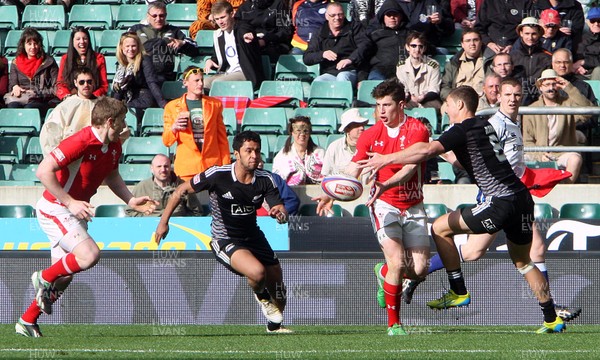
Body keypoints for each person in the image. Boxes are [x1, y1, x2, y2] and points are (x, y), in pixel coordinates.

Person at [357, 85, 566, 334]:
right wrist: (437, 153)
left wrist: (384, 159)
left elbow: (427, 150)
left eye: (447, 104)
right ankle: (552, 318)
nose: (445, 110)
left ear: (459, 105)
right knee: (524, 261)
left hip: (500, 202)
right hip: (522, 199)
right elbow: (466, 162)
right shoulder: (483, 126)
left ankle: (458, 290)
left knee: (439, 228)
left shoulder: (462, 128)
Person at [401, 78, 581, 322]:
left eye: (517, 94)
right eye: (508, 94)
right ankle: (551, 315)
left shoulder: (510, 124)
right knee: (503, 255)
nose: (513, 99)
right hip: (507, 196)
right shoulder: (492, 123)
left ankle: (456, 289)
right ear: (499, 96)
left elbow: (483, 159)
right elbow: (479, 159)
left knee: (459, 239)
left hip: (505, 198)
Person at [15, 97, 157, 338]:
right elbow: (43, 171)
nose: (124, 126)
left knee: (66, 276)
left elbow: (112, 177)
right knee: (89, 255)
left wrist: (131, 200)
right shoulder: (80, 141)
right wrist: (69, 202)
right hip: (55, 208)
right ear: (110, 121)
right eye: (121, 121)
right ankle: (42, 277)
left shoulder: (114, 146)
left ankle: (27, 321)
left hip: (73, 211)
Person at [315, 79, 430, 336]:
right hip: (383, 204)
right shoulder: (370, 134)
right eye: (378, 105)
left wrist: (386, 183)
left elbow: (411, 166)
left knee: (420, 268)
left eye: (387, 105)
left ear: (401, 105)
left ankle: (383, 272)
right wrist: (330, 193)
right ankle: (394, 324)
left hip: (413, 203)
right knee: (398, 262)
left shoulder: (417, 129)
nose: (381, 111)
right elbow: (354, 168)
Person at [154, 131, 292, 334]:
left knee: (279, 292)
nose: (254, 156)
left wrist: (280, 214)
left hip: (254, 236)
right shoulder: (218, 175)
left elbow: (280, 209)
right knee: (257, 272)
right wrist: (163, 222)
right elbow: (180, 191)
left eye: (257, 151)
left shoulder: (266, 179)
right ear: (237, 153)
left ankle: (274, 327)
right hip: (225, 239)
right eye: (249, 151)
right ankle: (262, 297)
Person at [523, 69, 593, 183]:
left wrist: (569, 88)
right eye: (547, 84)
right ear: (540, 87)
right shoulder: (531, 110)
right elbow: (527, 142)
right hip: (540, 154)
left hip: (562, 153)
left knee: (575, 159)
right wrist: (540, 155)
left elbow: (589, 112)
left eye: (554, 84)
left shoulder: (567, 104)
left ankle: (567, 191)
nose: (551, 88)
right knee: (518, 159)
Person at [162, 66, 231, 181]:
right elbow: (167, 141)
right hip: (187, 168)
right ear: (185, 82)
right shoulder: (172, 107)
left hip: (212, 167)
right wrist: (174, 128)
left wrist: (225, 167)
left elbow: (222, 139)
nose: (200, 84)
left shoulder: (215, 104)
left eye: (202, 80)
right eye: (196, 80)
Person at [130, 1, 200, 83]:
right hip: (140, 74)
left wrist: (182, 43)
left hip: (163, 77)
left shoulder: (174, 31)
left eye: (161, 15)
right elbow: (123, 47)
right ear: (148, 16)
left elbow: (195, 50)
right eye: (154, 16)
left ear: (166, 15)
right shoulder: (136, 29)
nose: (158, 19)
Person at [303, 2, 370, 87]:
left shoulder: (354, 28)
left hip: (351, 70)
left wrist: (350, 59)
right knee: (318, 81)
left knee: (342, 77)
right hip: (330, 73)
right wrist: (322, 54)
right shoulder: (320, 32)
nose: (337, 18)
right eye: (333, 15)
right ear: (326, 16)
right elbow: (307, 58)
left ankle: (343, 100)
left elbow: (365, 46)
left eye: (340, 14)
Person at [203, 0, 265, 91]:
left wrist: (249, 36)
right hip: (227, 72)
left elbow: (247, 31)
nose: (220, 22)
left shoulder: (242, 28)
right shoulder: (219, 35)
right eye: (217, 19)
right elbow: (216, 57)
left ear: (232, 14)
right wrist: (211, 61)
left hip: (245, 73)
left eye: (223, 17)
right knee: (202, 83)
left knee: (218, 83)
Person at [39, 67, 100, 157]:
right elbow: (50, 132)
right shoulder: (65, 106)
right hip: (70, 155)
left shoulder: (102, 105)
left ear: (94, 82)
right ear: (75, 83)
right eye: (82, 82)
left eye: (89, 81)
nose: (86, 85)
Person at [126, 154, 202, 217]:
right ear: (151, 169)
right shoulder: (142, 187)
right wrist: (147, 220)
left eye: (166, 166)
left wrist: (181, 221)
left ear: (170, 167)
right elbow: (129, 212)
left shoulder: (183, 186)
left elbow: (196, 212)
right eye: (159, 166)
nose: (163, 170)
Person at [6, 28, 58, 116]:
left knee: (29, 108)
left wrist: (38, 93)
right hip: (21, 98)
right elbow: (12, 84)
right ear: (23, 45)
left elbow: (56, 88)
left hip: (41, 100)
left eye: (35, 43)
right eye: (29, 44)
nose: (33, 47)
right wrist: (15, 87)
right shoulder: (16, 62)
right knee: (12, 106)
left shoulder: (49, 62)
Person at [112, 32, 167, 117]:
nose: (131, 49)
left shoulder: (145, 59)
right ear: (122, 48)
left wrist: (163, 103)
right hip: (128, 99)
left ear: (138, 47)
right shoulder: (121, 65)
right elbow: (119, 89)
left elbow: (151, 82)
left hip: (143, 98)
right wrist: (113, 107)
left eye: (133, 46)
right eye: (127, 46)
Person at [56, 27, 108, 101]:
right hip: (71, 100)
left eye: (85, 38)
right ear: (73, 42)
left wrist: (91, 97)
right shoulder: (65, 59)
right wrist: (67, 97)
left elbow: (104, 86)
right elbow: (60, 84)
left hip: (94, 100)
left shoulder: (99, 58)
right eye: (78, 39)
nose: (82, 42)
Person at [510, 17, 552, 105]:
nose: (530, 37)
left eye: (534, 34)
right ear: (521, 33)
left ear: (539, 34)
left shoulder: (547, 57)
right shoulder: (512, 56)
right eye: (527, 33)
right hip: (516, 100)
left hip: (541, 100)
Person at [272, 116, 325, 185]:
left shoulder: (321, 153)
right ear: (292, 133)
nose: (302, 134)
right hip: (291, 194)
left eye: (305, 131)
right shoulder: (282, 156)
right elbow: (277, 182)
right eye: (298, 131)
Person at [396, 31, 442, 110]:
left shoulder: (433, 65)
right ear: (407, 47)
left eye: (420, 46)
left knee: (430, 108)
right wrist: (408, 97)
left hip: (428, 101)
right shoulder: (401, 66)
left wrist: (423, 97)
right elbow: (403, 88)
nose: (417, 49)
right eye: (413, 46)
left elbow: (434, 89)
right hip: (409, 101)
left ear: (424, 48)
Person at [365, 0, 409, 81]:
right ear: (383, 17)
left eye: (395, 14)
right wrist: (361, 78)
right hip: (380, 71)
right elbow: (364, 55)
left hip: (405, 71)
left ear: (401, 16)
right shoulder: (374, 35)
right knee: (375, 84)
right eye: (388, 15)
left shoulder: (410, 35)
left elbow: (427, 48)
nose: (392, 17)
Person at [440, 29, 486, 100]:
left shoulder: (490, 61)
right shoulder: (453, 63)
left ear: (481, 42)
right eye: (468, 41)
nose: (472, 44)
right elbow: (444, 89)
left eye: (475, 40)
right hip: (458, 101)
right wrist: (457, 97)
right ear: (462, 44)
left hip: (483, 102)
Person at [321, 108, 368, 177]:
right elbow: (325, 176)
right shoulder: (334, 147)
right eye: (357, 125)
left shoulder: (372, 147)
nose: (362, 128)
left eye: (362, 125)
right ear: (347, 129)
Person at [573, 7, 600, 81]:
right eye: (593, 21)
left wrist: (583, 62)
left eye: (599, 21)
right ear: (588, 22)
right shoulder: (579, 38)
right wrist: (576, 65)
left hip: (596, 73)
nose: (596, 24)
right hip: (578, 71)